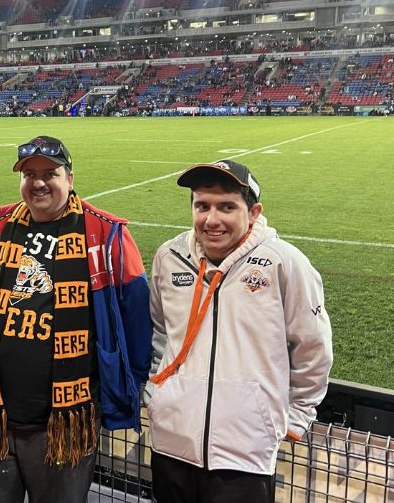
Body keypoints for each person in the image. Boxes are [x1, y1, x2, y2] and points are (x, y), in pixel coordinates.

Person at [0, 135, 151, 502]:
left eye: (50, 173)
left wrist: (128, 387)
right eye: (29, 174)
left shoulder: (106, 233)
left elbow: (137, 321)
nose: (38, 182)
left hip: (64, 423)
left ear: (69, 179)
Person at [143, 160, 333, 503]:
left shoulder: (284, 263)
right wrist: (158, 393)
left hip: (245, 453)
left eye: (227, 207)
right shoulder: (169, 257)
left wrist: (298, 415)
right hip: (170, 444)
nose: (212, 220)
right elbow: (159, 331)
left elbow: (313, 347)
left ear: (254, 212)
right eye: (202, 206)